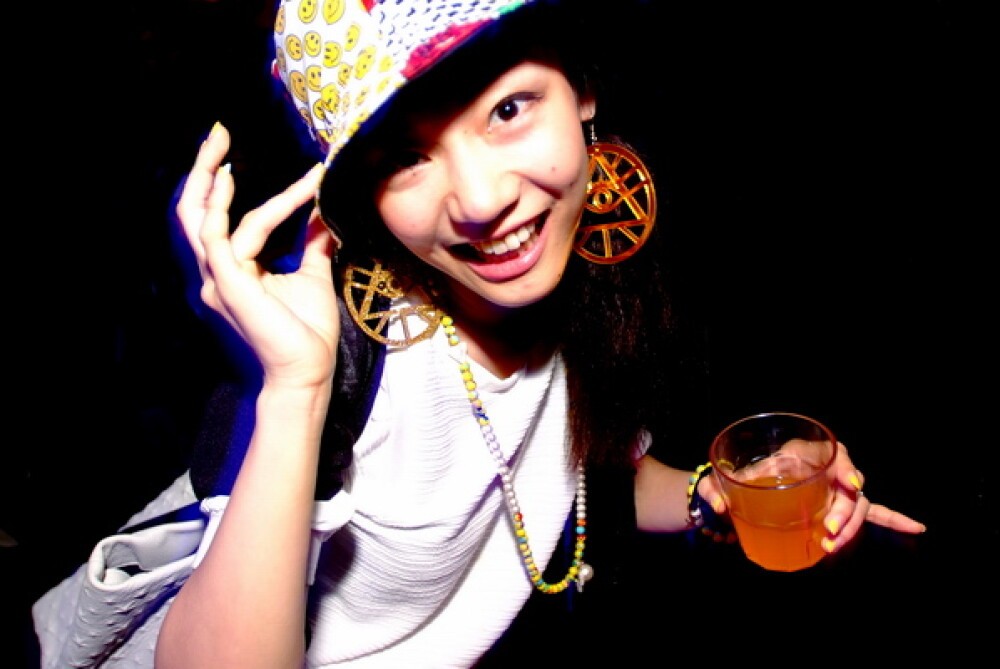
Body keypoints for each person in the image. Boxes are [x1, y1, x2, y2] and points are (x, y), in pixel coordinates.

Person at [32, 1, 926, 667]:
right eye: (406, 155)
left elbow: (595, 472)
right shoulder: (343, 357)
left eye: (507, 110)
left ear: (582, 91)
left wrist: (716, 491)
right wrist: (294, 395)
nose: (482, 200)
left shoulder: (581, 274)